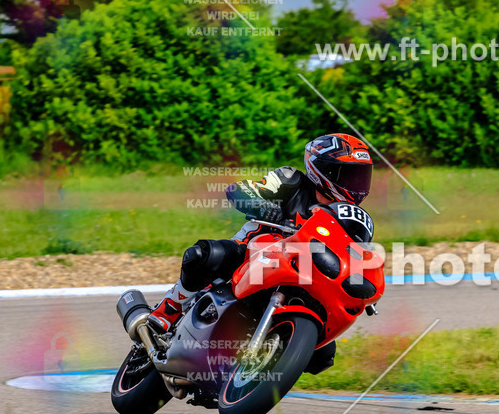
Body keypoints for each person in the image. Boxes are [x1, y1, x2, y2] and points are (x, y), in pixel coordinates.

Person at [146, 133, 374, 333]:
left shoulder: (352, 218)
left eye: (362, 176)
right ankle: (170, 308)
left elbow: (356, 257)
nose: (357, 184)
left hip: (303, 272)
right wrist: (262, 205)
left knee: (324, 354)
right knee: (204, 255)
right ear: (323, 170)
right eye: (350, 175)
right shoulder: (290, 180)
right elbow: (240, 189)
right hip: (251, 253)